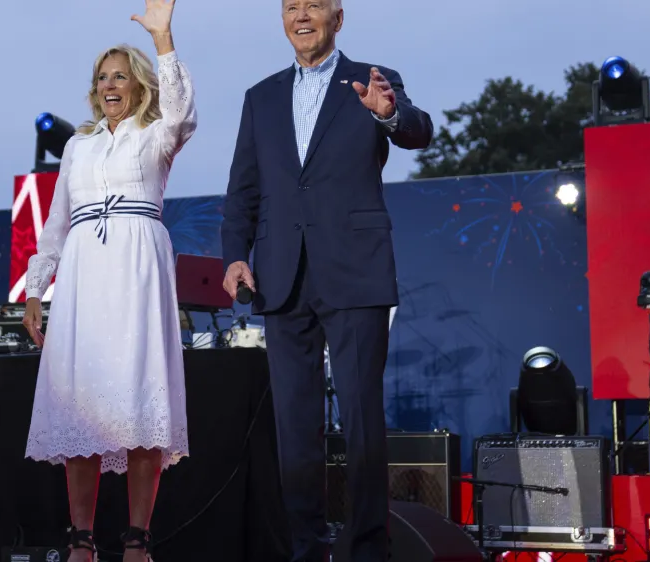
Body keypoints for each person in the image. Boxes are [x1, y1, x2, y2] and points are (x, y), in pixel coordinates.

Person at [220, 1, 433, 561]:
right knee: (295, 426)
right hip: (280, 276)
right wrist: (235, 256)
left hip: (355, 269)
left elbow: (418, 131)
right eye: (292, 6)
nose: (302, 15)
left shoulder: (373, 79)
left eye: (314, 4)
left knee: (362, 418)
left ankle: (366, 550)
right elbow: (243, 190)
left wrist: (387, 114)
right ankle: (307, 549)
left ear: (338, 16)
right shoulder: (259, 97)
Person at [20, 1, 195, 560]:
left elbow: (184, 112)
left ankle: (138, 537)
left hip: (137, 271)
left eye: (120, 74)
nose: (110, 83)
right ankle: (80, 537)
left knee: (140, 407)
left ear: (140, 83)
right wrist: (34, 287)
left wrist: (163, 40)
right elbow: (55, 223)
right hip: (82, 280)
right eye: (102, 77)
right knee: (80, 408)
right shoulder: (78, 144)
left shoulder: (156, 133)